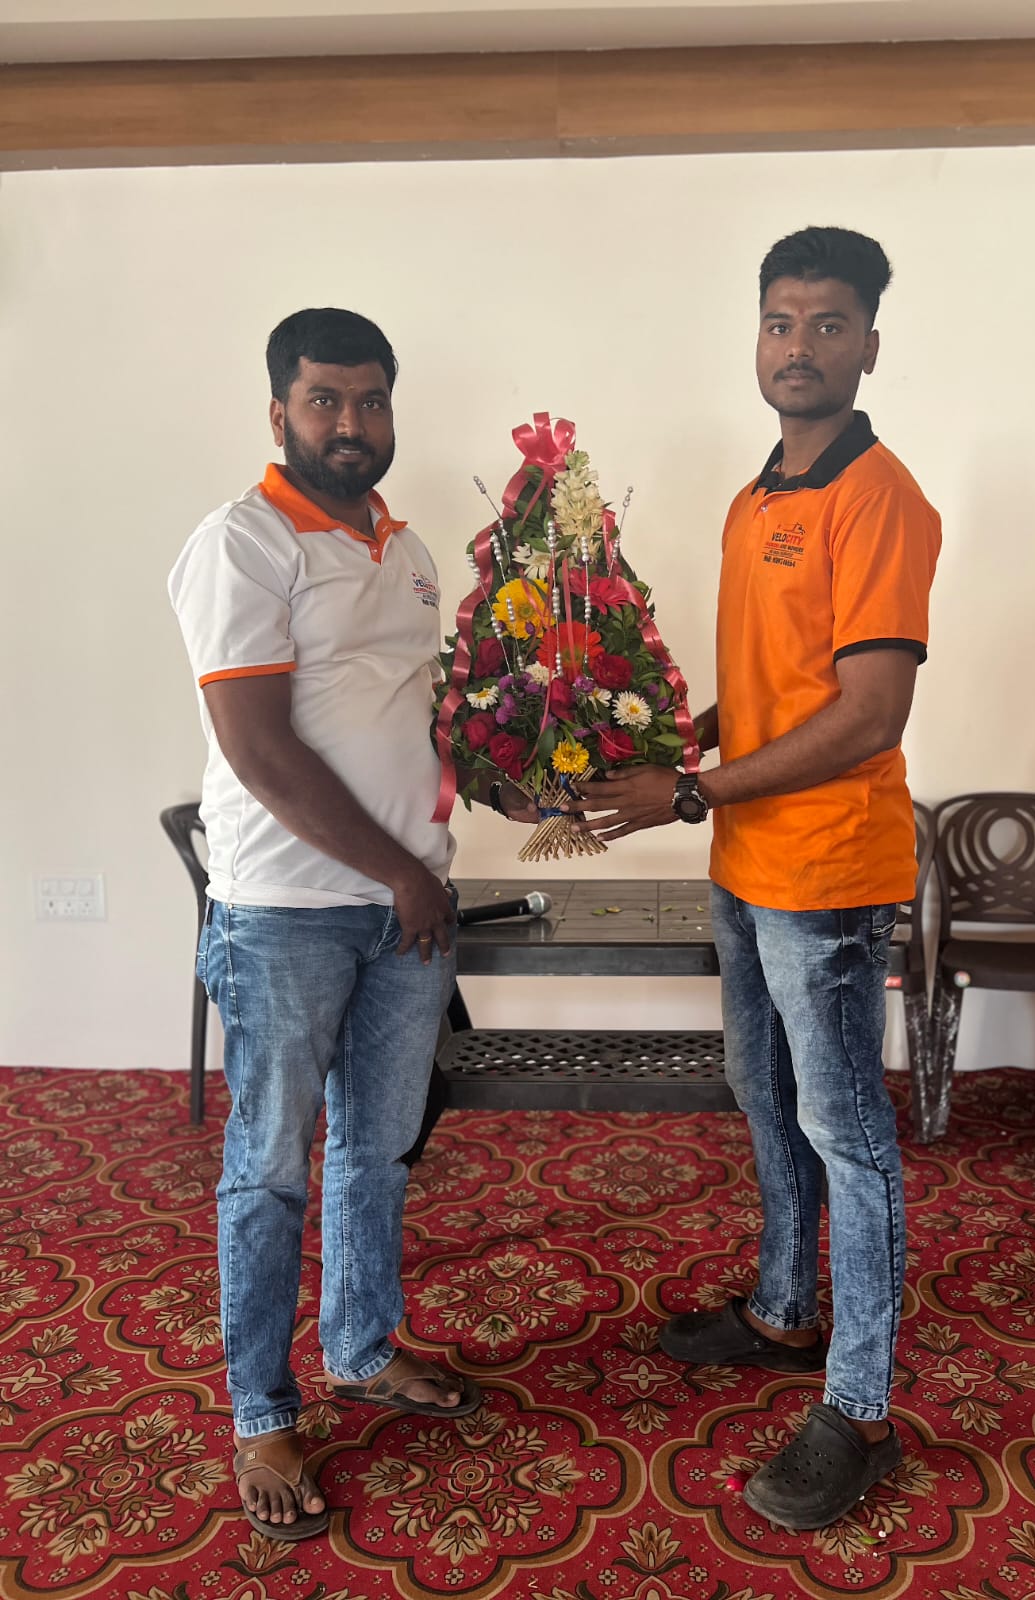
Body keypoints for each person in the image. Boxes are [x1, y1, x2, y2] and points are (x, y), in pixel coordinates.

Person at [572, 227, 940, 1529]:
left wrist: (688, 793)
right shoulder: (755, 498)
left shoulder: (879, 497)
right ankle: (786, 1307)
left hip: (827, 870)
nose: (800, 346)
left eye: (829, 324)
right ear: (759, 338)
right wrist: (694, 741)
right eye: (781, 321)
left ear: (869, 345)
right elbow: (783, 686)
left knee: (849, 1130)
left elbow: (870, 710)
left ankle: (861, 1410)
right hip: (747, 856)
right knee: (761, 1086)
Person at [168, 308, 529, 1541]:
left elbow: (419, 722)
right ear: (279, 411)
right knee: (270, 1167)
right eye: (325, 400)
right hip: (287, 913)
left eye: (371, 400)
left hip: (404, 910)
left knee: (378, 1150)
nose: (351, 423)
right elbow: (261, 750)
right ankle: (262, 1409)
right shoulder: (242, 543)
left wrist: (513, 780)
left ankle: (364, 1345)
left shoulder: (407, 547)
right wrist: (402, 875)